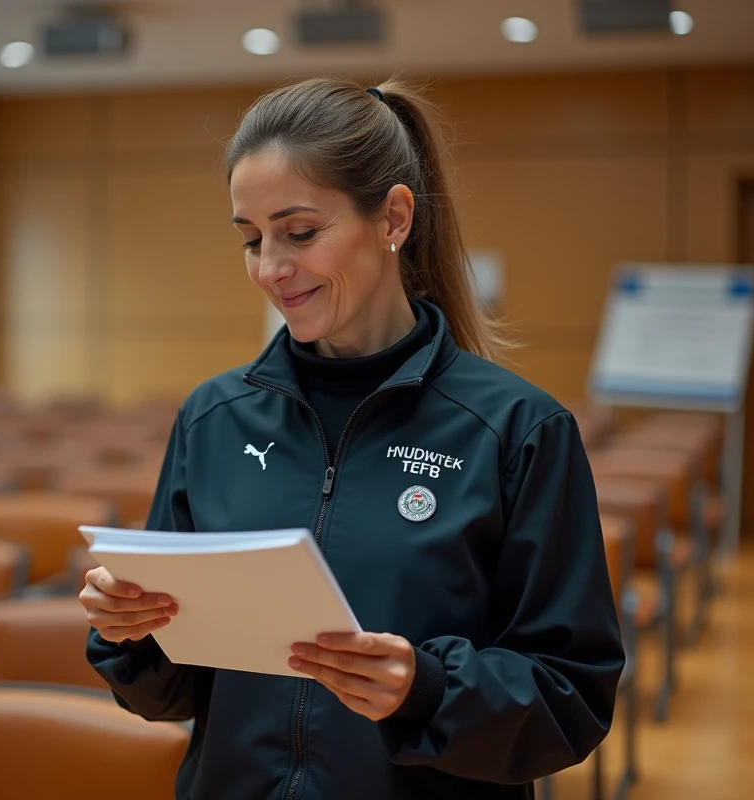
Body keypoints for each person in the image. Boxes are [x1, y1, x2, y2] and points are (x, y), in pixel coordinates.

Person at [81, 77, 625, 800]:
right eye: (251, 239)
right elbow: (174, 694)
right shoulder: (214, 417)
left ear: (393, 217)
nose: (271, 268)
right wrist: (132, 631)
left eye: (300, 232)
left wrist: (427, 690)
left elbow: (571, 695)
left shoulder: (517, 430)